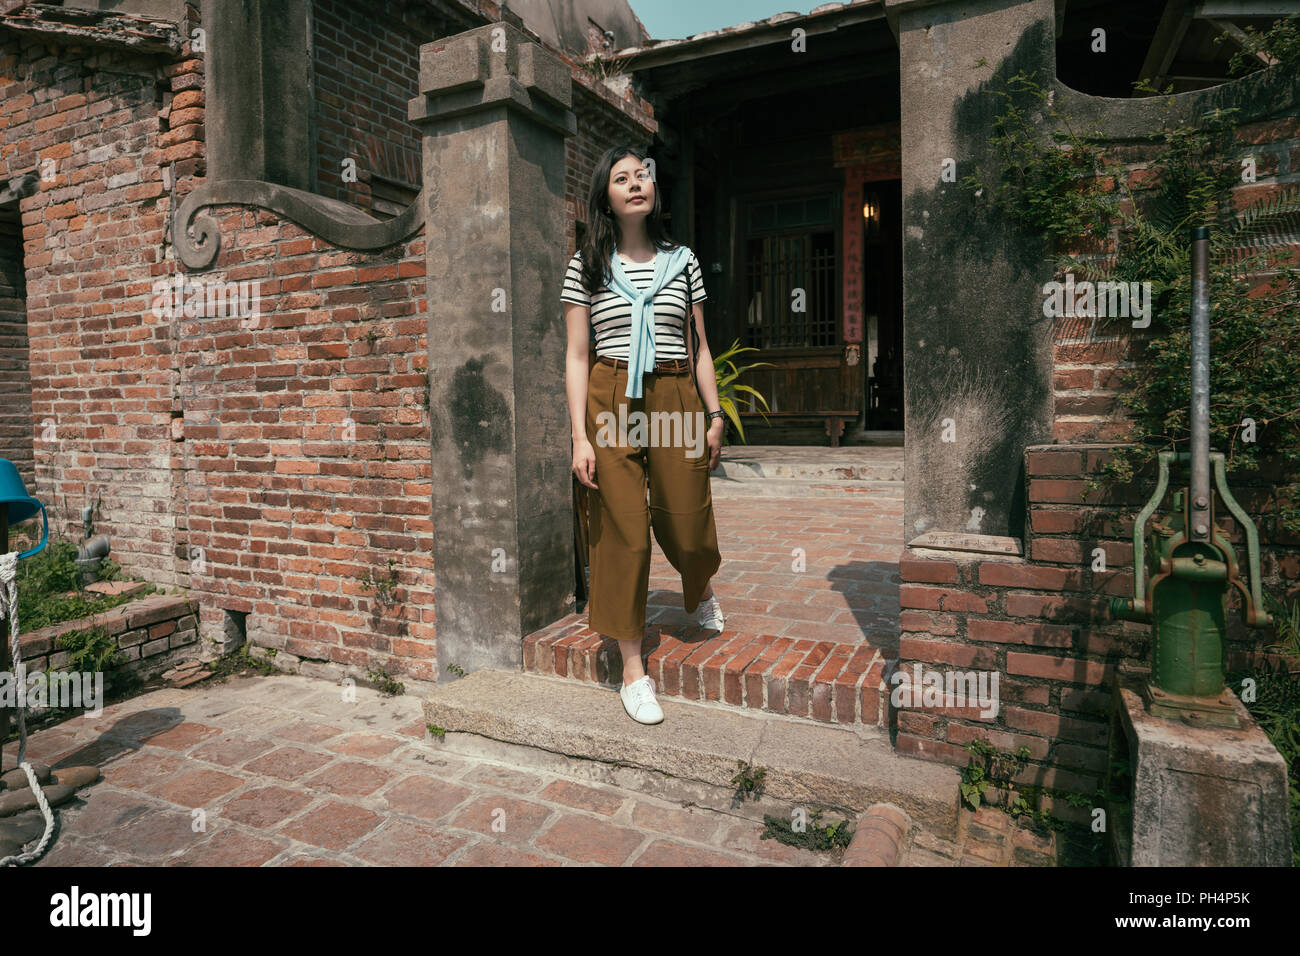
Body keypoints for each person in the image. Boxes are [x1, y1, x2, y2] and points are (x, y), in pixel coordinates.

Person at [561, 145, 726, 726]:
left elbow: (700, 346)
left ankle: (700, 586)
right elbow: (578, 354)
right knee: (622, 527)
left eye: (643, 176)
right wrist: (580, 435)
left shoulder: (684, 260)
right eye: (622, 178)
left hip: (676, 392)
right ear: (604, 193)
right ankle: (634, 670)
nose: (636, 184)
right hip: (611, 395)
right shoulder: (586, 263)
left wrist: (714, 413)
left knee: (686, 514)